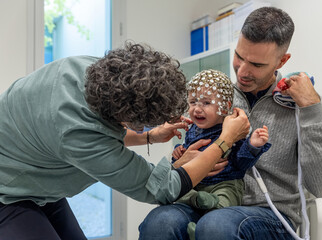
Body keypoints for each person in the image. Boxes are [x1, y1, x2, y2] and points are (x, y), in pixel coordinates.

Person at [0, 42, 250, 239]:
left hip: (36, 178)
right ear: (128, 116)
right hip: (7, 190)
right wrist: (225, 140)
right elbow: (163, 189)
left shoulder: (93, 71)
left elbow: (104, 129)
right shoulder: (77, 133)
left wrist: (149, 136)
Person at [139, 7, 322, 240]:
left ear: (282, 61)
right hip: (205, 199)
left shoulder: (301, 104)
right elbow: (179, 161)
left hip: (270, 214)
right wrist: (180, 162)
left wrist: (311, 108)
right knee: (159, 222)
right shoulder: (215, 99)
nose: (242, 72)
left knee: (217, 226)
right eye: (239, 57)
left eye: (256, 65)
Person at [171, 69, 271, 239]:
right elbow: (186, 157)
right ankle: (197, 199)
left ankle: (201, 228)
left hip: (224, 184)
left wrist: (253, 145)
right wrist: (179, 154)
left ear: (224, 107)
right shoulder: (192, 129)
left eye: (206, 102)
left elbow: (241, 162)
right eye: (193, 102)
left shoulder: (231, 128)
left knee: (225, 202)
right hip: (195, 184)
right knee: (176, 192)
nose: (197, 109)